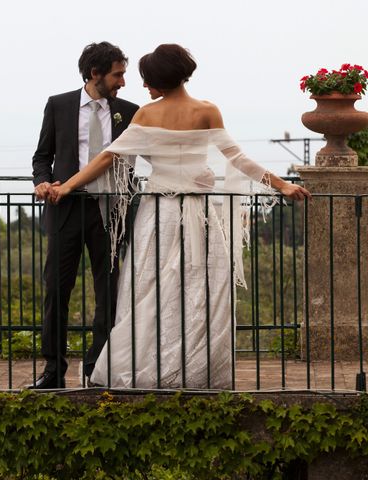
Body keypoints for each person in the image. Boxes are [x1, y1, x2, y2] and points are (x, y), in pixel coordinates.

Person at [49, 44, 310, 389]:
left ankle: (149, 367)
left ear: (161, 80)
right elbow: (239, 159)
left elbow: (106, 159)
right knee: (200, 290)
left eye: (147, 79)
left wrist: (67, 186)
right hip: (200, 213)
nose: (143, 86)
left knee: (149, 290)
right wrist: (281, 185)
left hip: (159, 214)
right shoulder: (207, 111)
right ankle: (196, 368)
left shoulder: (146, 115)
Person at [30, 42, 140, 389]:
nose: (122, 81)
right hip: (65, 208)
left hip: (110, 211)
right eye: (117, 74)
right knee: (56, 291)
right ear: (95, 74)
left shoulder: (129, 110)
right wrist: (42, 182)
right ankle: (53, 371)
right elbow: (41, 157)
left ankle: (97, 368)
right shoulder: (58, 105)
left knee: (108, 292)